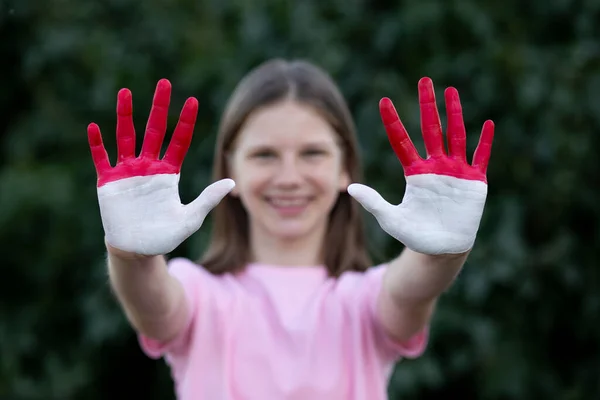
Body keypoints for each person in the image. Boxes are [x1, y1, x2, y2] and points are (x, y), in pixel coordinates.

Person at [87, 59, 494, 400]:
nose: (289, 177)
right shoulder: (199, 295)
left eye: (312, 153)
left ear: (345, 167)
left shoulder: (364, 302)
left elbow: (413, 288)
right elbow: (152, 304)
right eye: (264, 155)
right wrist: (131, 255)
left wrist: (441, 252)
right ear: (231, 167)